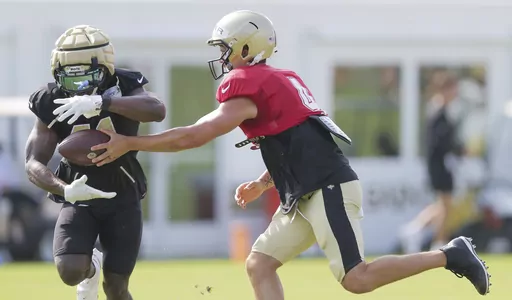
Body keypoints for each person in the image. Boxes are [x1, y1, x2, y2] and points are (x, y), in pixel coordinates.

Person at [87, 11, 489, 299]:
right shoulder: (280, 80)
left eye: (227, 48)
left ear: (247, 46)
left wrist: (131, 142)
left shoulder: (250, 85)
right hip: (306, 192)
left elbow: (194, 136)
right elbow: (295, 136)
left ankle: (449, 254)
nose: (223, 58)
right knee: (259, 264)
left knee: (357, 279)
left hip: (328, 188)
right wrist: (265, 182)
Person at [25, 25, 165, 300]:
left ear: (106, 68)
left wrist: (104, 103)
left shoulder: (125, 84)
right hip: (78, 193)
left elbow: (156, 110)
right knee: (69, 270)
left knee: (115, 287)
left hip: (122, 193)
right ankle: (90, 271)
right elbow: (32, 162)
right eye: (70, 78)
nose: (77, 87)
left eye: (85, 76)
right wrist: (64, 189)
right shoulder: (50, 98)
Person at [401, 73, 465, 253]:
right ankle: (438, 241)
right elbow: (440, 141)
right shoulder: (438, 110)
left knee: (443, 204)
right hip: (440, 163)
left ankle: (416, 229)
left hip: (441, 162)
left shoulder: (442, 109)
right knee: (445, 204)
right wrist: (457, 149)